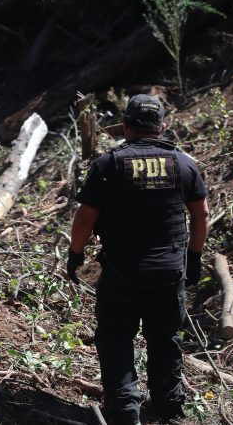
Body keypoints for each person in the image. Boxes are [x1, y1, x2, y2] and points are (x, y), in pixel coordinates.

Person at [67, 94, 210, 425]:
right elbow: (201, 214)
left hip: (122, 271)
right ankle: (168, 408)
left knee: (116, 338)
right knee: (165, 338)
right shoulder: (183, 164)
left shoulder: (109, 164)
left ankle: (124, 410)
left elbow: (85, 219)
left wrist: (75, 255)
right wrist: (194, 257)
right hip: (169, 271)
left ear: (126, 126)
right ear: (162, 127)